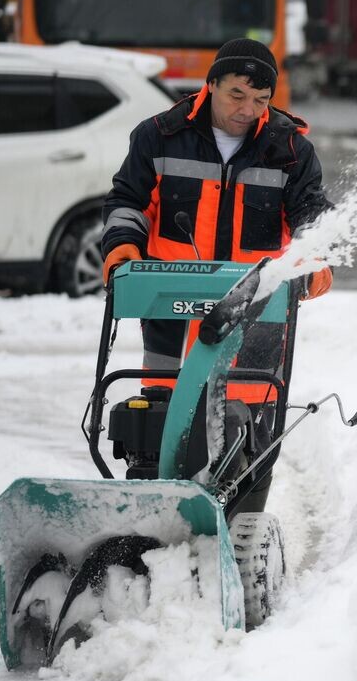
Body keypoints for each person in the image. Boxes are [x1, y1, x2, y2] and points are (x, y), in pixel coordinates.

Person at [100, 37, 332, 509]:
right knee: (160, 423)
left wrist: (311, 267)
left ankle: (241, 524)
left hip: (256, 313)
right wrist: (123, 252)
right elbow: (128, 202)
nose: (248, 109)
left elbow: (313, 221)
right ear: (211, 85)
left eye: (261, 100)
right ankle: (156, 516)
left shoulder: (288, 150)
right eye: (237, 95)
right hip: (170, 306)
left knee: (246, 431)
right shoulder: (159, 136)